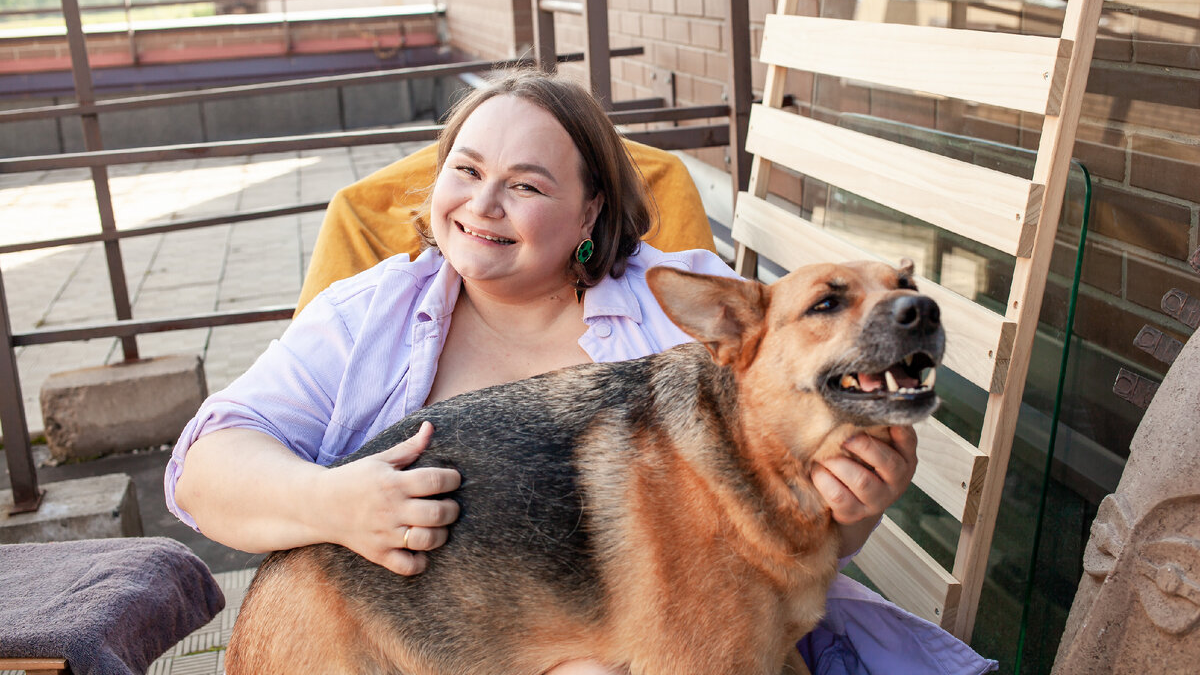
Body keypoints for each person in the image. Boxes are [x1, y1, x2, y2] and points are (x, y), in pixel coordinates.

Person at [167, 69, 993, 674]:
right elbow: (204, 472)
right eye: (465, 169)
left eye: (524, 185)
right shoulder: (367, 315)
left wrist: (859, 506)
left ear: (591, 210)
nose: (483, 205)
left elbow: (791, 517)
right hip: (383, 637)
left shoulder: (695, 308)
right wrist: (336, 500)